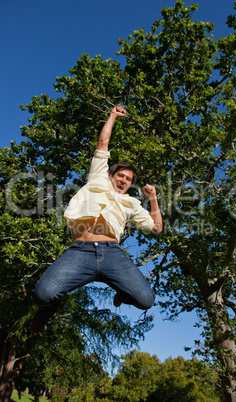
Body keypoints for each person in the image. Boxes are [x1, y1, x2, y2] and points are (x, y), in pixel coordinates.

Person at [31, 106, 163, 334]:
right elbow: (103, 145)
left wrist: (152, 199)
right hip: (79, 252)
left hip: (112, 254)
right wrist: (112, 116)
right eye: (120, 175)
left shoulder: (131, 203)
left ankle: (122, 291)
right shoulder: (97, 179)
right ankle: (48, 309)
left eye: (128, 179)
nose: (124, 180)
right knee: (42, 294)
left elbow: (157, 227)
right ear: (111, 176)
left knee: (146, 300)